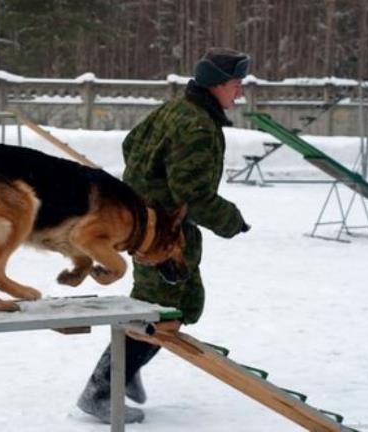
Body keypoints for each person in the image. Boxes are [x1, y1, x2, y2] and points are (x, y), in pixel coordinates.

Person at [77, 47, 252, 424]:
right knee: (161, 309)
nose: (240, 93)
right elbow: (193, 193)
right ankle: (101, 388)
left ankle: (125, 371)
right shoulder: (197, 126)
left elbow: (131, 143)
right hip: (161, 235)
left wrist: (143, 192)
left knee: (175, 305)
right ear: (218, 85)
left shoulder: (174, 109)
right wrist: (231, 220)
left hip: (147, 226)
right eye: (237, 85)